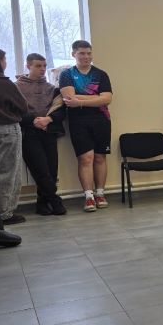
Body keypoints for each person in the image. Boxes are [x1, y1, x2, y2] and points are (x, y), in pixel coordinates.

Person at [59, 40, 113, 213]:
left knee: (100, 157)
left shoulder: (101, 74)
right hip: (78, 122)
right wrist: (96, 98)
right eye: (82, 53)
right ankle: (89, 196)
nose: (86, 57)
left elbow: (107, 99)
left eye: (89, 53)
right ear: (73, 54)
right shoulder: (67, 74)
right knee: (86, 158)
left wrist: (80, 100)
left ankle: (100, 193)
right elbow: (69, 99)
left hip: (101, 120)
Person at [16, 54, 67, 215]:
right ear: (28, 66)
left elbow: (61, 109)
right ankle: (55, 200)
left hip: (48, 131)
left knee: (51, 170)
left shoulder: (52, 88)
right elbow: (14, 110)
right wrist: (33, 120)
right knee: (40, 169)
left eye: (44, 66)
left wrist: (48, 119)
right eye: (38, 66)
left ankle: (42, 203)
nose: (43, 69)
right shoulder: (17, 87)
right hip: (28, 133)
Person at [0, 49, 28, 225]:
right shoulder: (5, 83)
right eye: (4, 60)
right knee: (8, 172)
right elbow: (23, 107)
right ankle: (5, 213)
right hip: (7, 129)